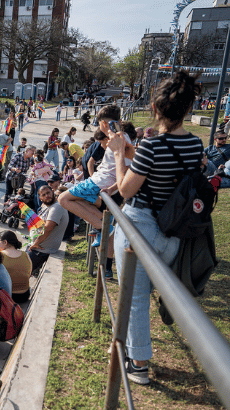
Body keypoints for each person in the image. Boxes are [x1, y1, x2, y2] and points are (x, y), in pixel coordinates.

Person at [108, 70, 204, 386]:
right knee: (142, 294)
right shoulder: (195, 145)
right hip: (173, 234)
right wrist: (136, 151)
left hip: (141, 228)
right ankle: (130, 348)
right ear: (188, 108)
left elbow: (125, 190)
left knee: (134, 299)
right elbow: (165, 168)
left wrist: (120, 154)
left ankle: (138, 365)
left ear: (155, 107)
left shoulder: (151, 146)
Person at [58, 105, 132, 254]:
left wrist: (112, 188)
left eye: (99, 124)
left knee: (62, 199)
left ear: (103, 123)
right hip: (100, 181)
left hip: (99, 181)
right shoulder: (119, 137)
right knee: (75, 200)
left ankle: (102, 226)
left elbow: (127, 168)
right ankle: (102, 223)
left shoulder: (118, 139)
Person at [27, 185, 68, 275]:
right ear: (40, 198)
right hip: (35, 247)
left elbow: (48, 228)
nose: (47, 196)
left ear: (53, 192)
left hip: (41, 250)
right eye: (43, 195)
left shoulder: (56, 207)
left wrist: (35, 243)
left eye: (48, 193)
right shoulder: (47, 205)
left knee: (21, 274)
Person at [0, 230, 32, 303]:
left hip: (9, 296)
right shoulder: (25, 255)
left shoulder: (0, 255)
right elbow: (28, 274)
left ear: (5, 242)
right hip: (24, 295)